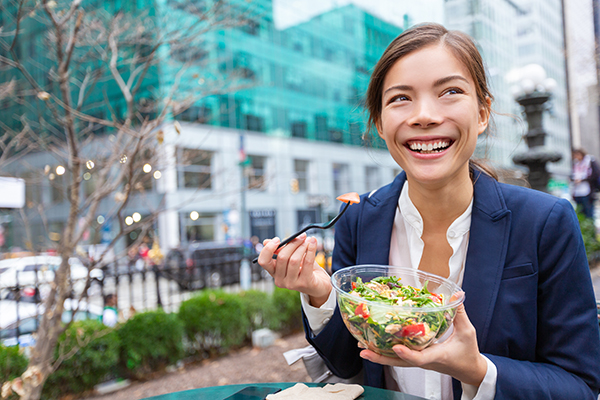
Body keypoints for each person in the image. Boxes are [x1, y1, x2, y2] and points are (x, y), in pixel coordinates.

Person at [257, 23, 600, 399]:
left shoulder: (545, 223)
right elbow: (349, 366)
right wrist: (321, 293)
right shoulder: (360, 219)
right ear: (379, 124)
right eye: (401, 98)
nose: (424, 115)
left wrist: (478, 371)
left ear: (483, 112)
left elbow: (579, 386)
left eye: (450, 91)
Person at [571, 148, 597, 220]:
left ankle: (589, 227)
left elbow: (595, 174)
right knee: (580, 211)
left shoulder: (590, 161)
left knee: (588, 211)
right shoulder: (575, 164)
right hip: (577, 191)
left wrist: (582, 180)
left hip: (587, 191)